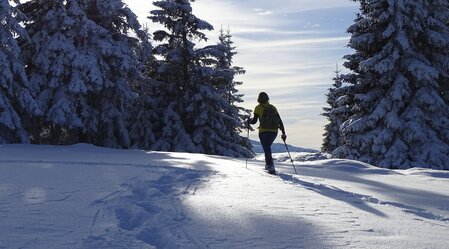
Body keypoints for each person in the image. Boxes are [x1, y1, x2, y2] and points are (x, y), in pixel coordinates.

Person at [248, 92, 286, 174]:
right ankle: (268, 164)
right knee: (267, 147)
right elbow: (280, 121)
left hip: (263, 131)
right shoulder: (273, 107)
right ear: (267, 98)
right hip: (274, 131)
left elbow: (254, 121)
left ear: (258, 99)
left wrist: (249, 121)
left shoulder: (258, 108)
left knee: (266, 148)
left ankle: (270, 166)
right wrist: (283, 133)